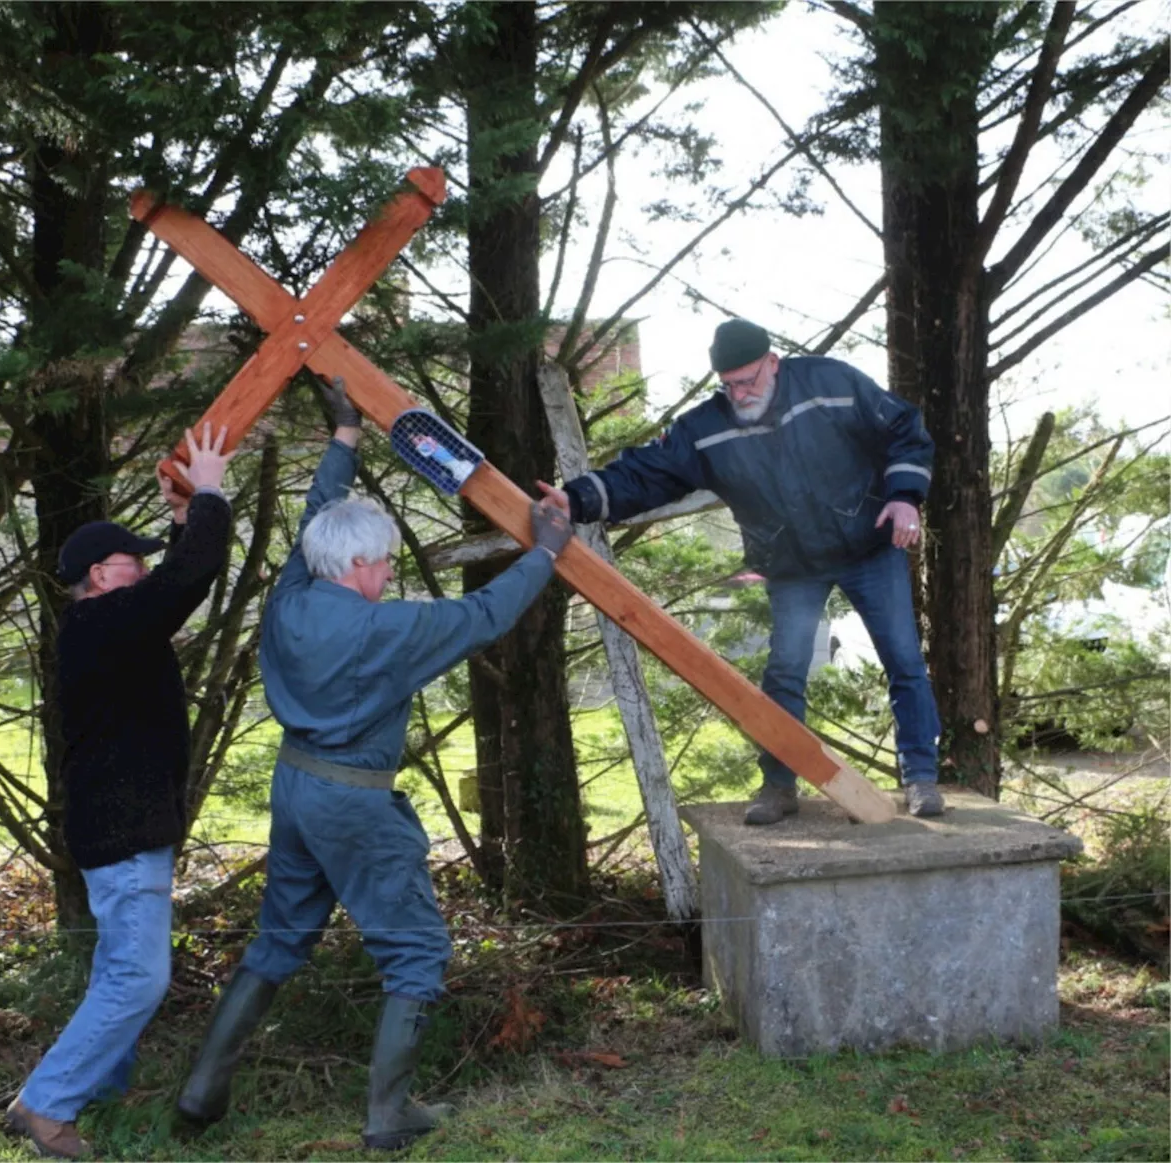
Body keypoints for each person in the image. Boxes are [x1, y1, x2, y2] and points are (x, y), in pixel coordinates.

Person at [176, 378, 573, 1150]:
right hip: (354, 802)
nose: (390, 572)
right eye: (384, 562)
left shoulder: (291, 597)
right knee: (416, 948)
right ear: (356, 560)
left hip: (294, 790)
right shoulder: (384, 631)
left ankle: (201, 1089)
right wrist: (548, 550)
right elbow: (489, 614)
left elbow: (313, 522)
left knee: (279, 941)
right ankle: (390, 1114)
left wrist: (346, 438)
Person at [538, 317, 945, 823]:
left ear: (773, 362)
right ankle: (778, 785)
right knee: (785, 671)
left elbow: (905, 428)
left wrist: (906, 497)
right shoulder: (706, 428)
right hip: (793, 563)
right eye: (728, 384)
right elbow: (648, 472)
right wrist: (575, 499)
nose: (739, 393)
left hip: (869, 545)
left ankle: (922, 778)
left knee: (903, 657)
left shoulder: (832, 384)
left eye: (748, 380)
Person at [5, 424, 234, 1159]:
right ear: (99, 575)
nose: (141, 567)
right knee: (139, 975)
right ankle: (45, 1104)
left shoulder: (106, 625)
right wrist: (210, 492)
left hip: (127, 825)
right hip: (126, 829)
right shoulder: (102, 624)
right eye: (129, 560)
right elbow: (189, 576)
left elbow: (174, 574)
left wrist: (180, 518)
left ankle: (95, 1089)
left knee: (118, 964)